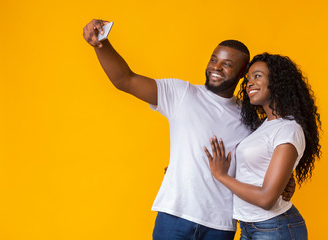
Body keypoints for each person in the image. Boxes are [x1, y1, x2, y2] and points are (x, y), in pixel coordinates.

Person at [83, 19, 295, 240]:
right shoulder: (181, 93)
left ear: (243, 72)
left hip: (220, 225)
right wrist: (101, 44)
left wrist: (288, 181)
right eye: (214, 59)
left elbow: (267, 157)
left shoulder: (249, 117)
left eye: (227, 64)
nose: (216, 67)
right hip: (174, 216)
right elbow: (125, 80)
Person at [204, 53, 321, 239]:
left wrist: (221, 176)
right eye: (248, 78)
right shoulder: (265, 125)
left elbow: (266, 199)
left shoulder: (287, 129)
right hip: (250, 226)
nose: (249, 83)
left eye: (257, 76)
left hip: (274, 226)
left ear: (276, 81)